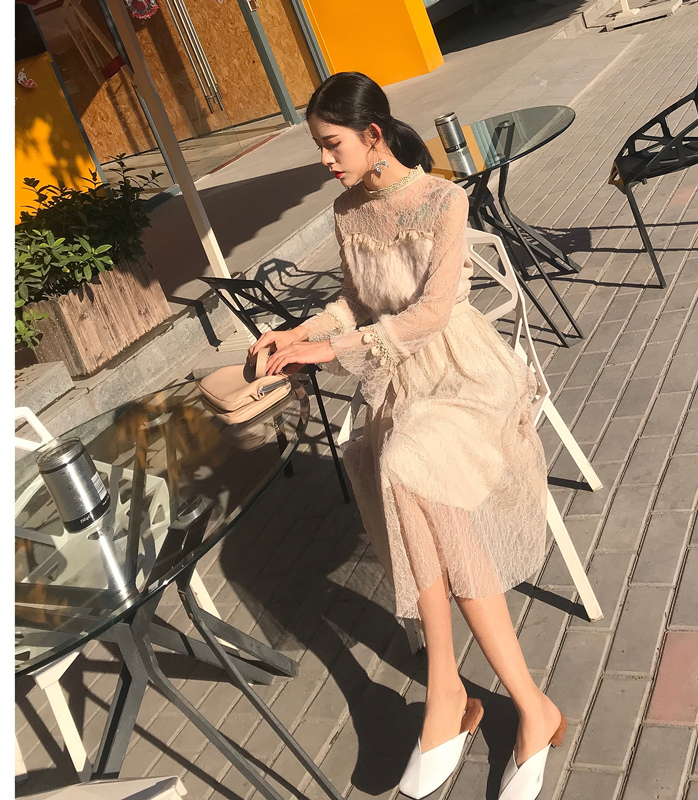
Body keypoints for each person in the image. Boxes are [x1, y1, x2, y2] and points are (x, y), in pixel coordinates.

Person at [249, 72, 565, 800]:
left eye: (332, 144)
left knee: (405, 464)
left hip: (462, 373)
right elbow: (355, 299)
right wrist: (300, 331)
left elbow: (430, 312)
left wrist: (329, 350)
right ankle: (514, 703)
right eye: (319, 146)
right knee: (406, 472)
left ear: (373, 135)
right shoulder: (345, 211)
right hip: (402, 384)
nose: (325, 160)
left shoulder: (443, 199)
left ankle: (454, 695)